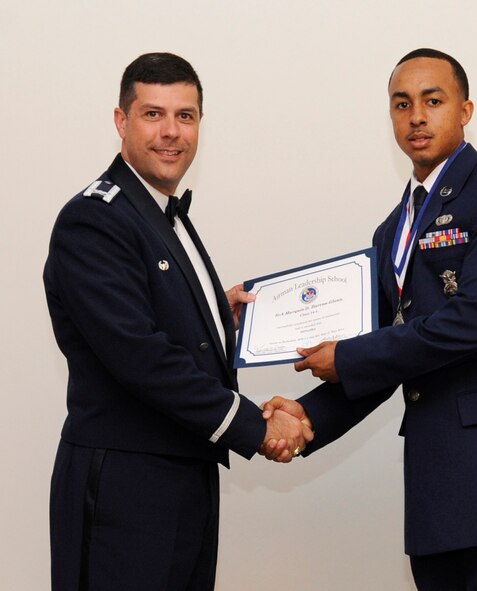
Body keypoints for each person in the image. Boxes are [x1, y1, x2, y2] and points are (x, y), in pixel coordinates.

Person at [263, 48, 477, 590]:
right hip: (437, 488)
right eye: (401, 104)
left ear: (465, 110)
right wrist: (306, 417)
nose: (416, 116)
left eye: (433, 101)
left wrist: (348, 356)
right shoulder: (392, 231)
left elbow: (476, 321)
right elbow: (386, 351)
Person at [43, 52, 312, 591]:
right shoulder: (94, 219)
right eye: (153, 114)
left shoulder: (159, 212)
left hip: (182, 476)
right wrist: (256, 428)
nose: (171, 132)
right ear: (121, 122)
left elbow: (155, 317)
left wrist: (217, 315)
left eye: (185, 116)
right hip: (125, 487)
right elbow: (141, 356)